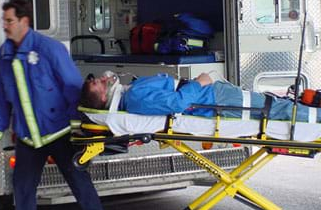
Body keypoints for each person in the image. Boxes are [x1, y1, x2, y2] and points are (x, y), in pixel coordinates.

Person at [0, 0, 111, 210]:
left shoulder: (49, 49)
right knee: (22, 189)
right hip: (28, 137)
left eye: (10, 20)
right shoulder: (2, 57)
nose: (5, 25)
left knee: (79, 182)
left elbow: (73, 87)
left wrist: (78, 124)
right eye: (4, 20)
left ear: (25, 21)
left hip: (59, 132)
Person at [80, 72, 321, 122]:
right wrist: (198, 82)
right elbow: (178, 103)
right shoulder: (135, 99)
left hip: (215, 95)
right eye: (99, 85)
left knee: (276, 106)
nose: (103, 79)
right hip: (212, 97)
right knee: (278, 110)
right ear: (104, 98)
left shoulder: (133, 91)